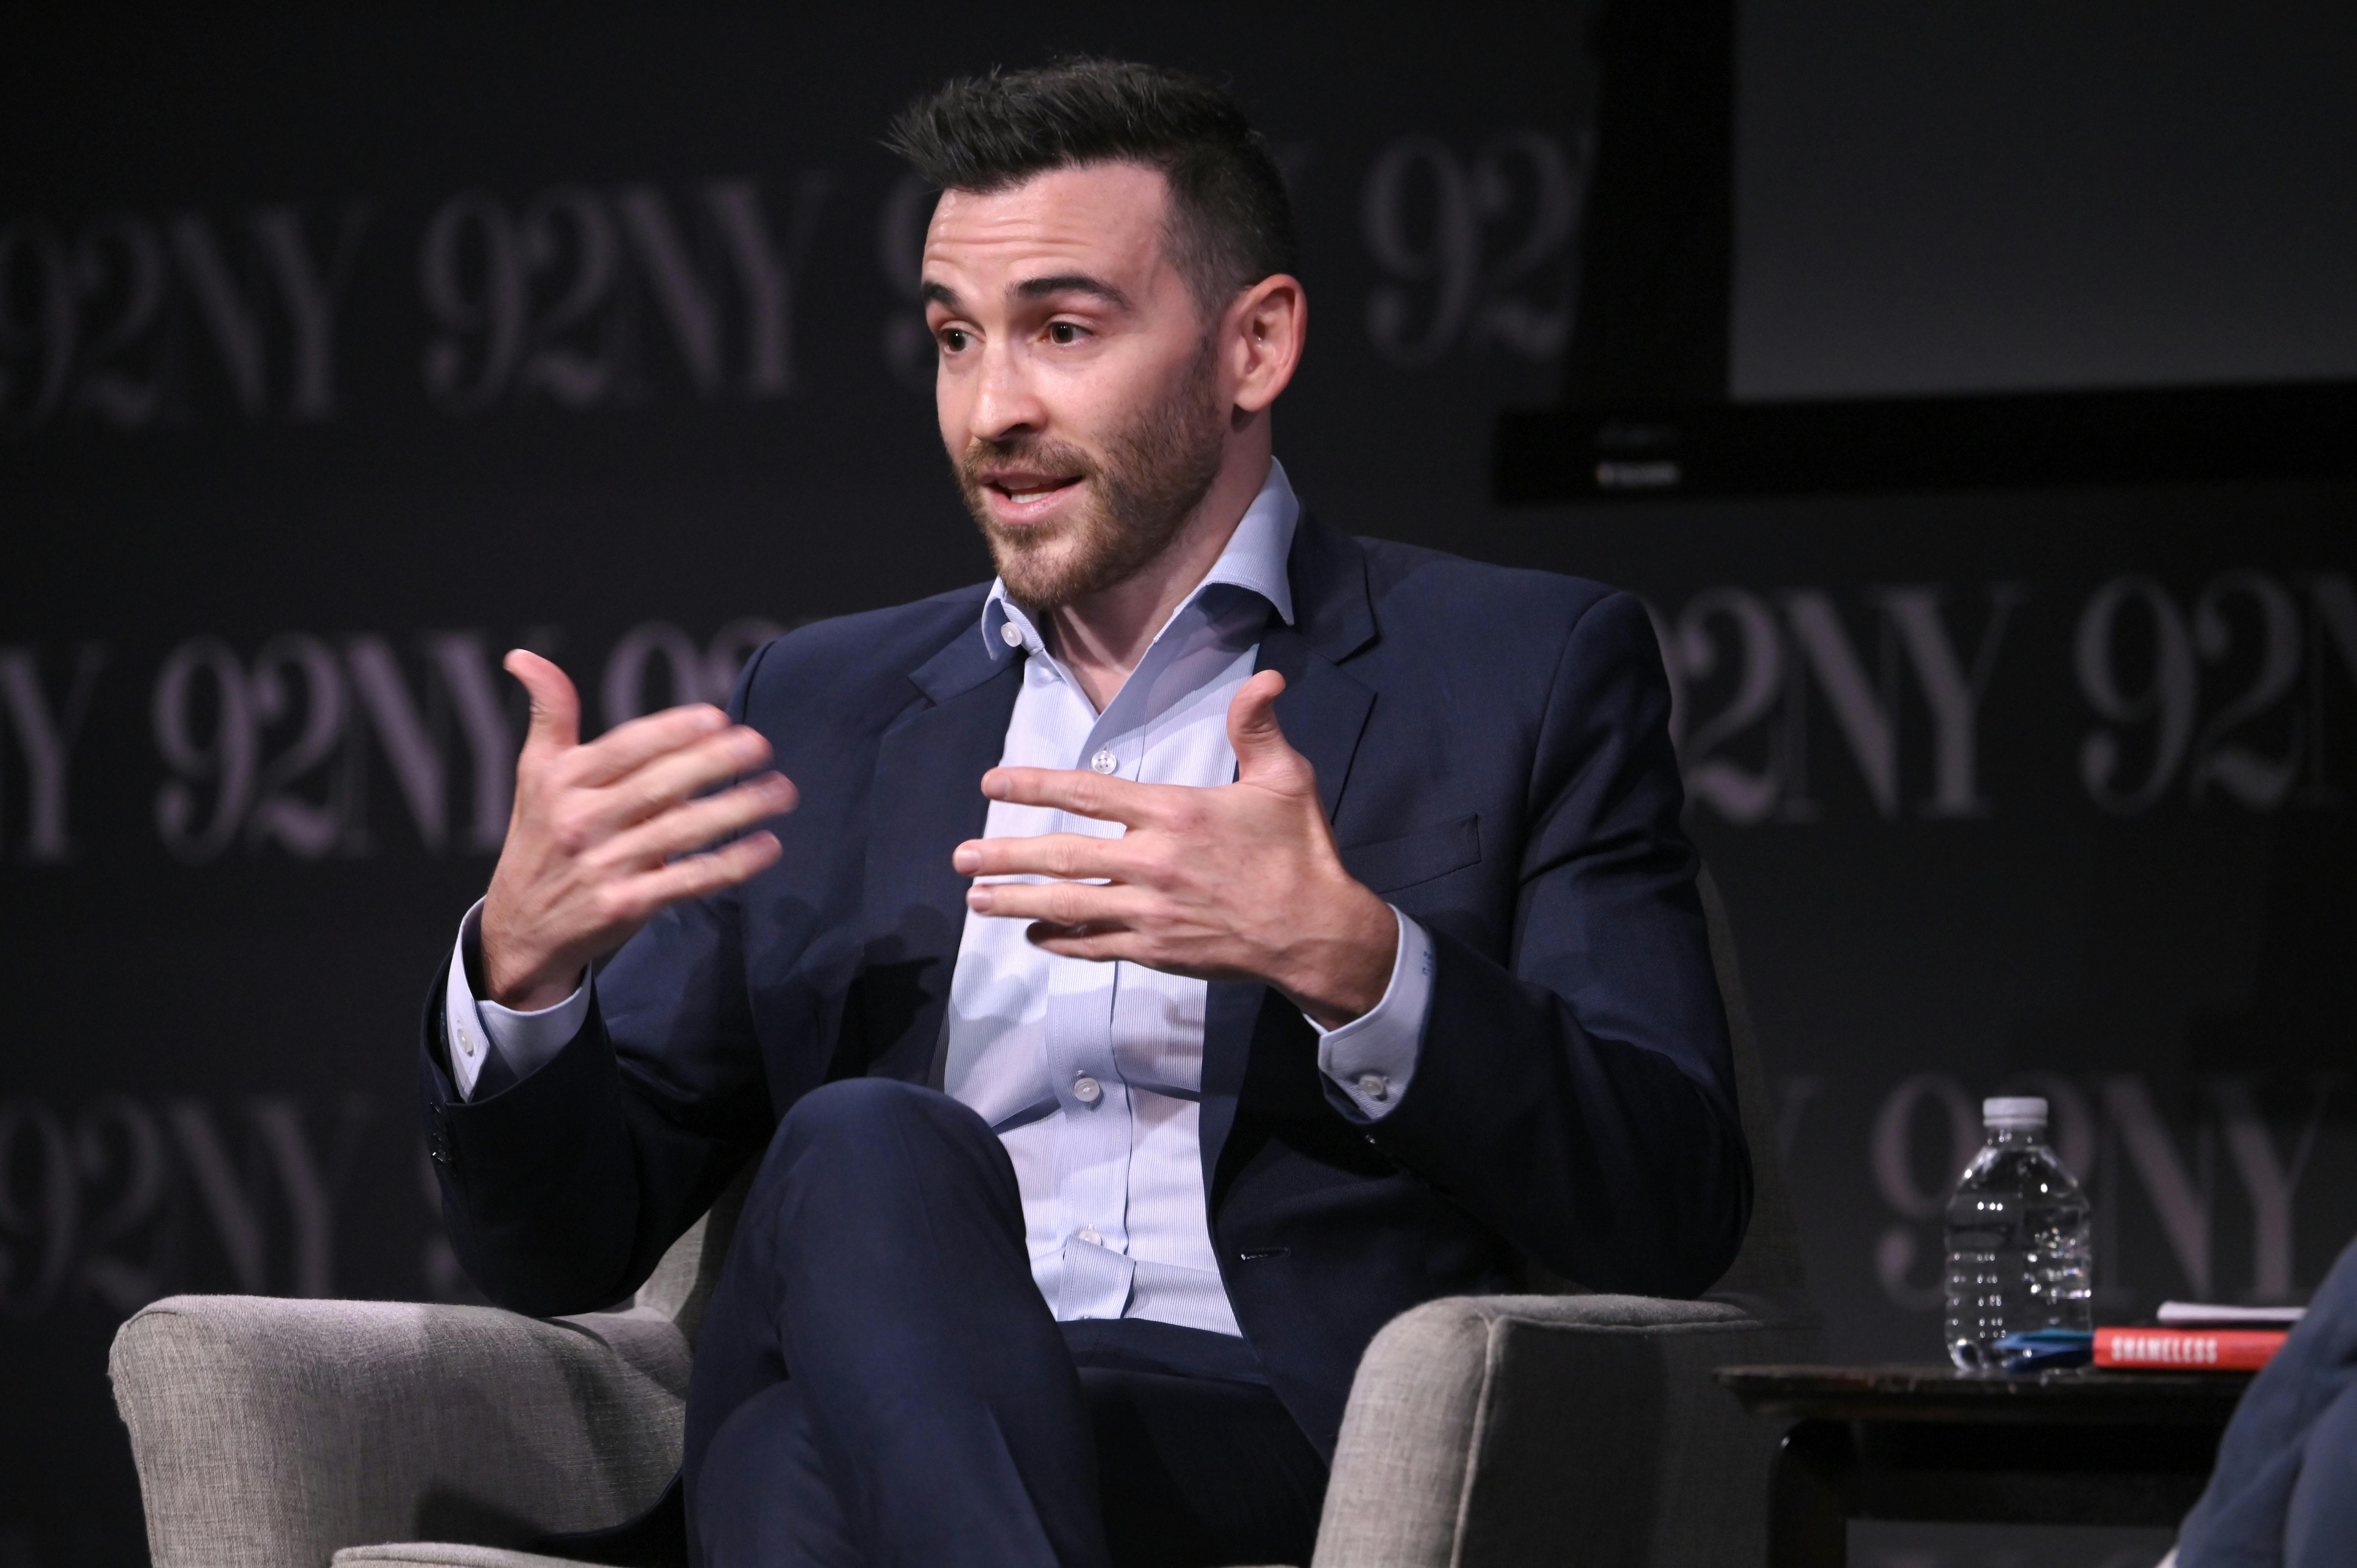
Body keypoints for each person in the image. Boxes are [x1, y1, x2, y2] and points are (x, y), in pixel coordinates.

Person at [422, 58, 1750, 1568]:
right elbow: (563, 1244)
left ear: (1254, 346)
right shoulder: (828, 705)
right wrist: (521, 983)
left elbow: (1672, 1203)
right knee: (867, 1150)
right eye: (953, 339)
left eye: (1063, 332)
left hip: (1253, 1422)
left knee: (797, 1465)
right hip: (883, 1388)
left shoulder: (1520, 670)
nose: (994, 410)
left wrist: (1357, 965)